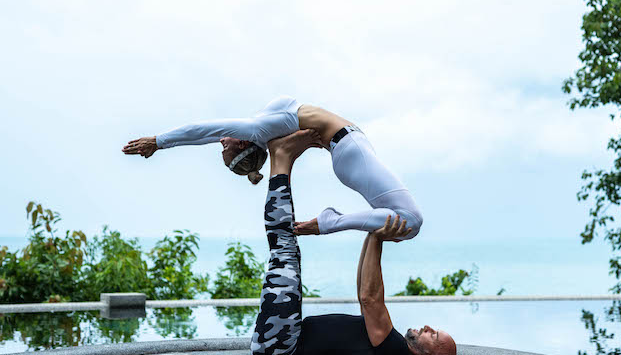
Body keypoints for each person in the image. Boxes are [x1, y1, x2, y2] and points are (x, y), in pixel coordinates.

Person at [252, 129, 456, 355]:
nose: (426, 327)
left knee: (284, 248)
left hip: (281, 347)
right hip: (283, 343)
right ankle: (281, 159)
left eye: (432, 334)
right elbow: (363, 291)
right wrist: (374, 234)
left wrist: (378, 236)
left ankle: (281, 158)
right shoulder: (391, 349)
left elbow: (370, 299)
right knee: (286, 250)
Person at [122, 96, 422, 241]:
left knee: (403, 227)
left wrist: (161, 141)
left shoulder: (259, 127)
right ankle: (329, 222)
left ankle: (333, 223)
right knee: (410, 222)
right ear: (242, 144)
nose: (220, 141)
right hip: (349, 151)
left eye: (222, 147)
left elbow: (208, 132)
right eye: (224, 148)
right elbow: (205, 130)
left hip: (350, 150)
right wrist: (159, 142)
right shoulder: (256, 130)